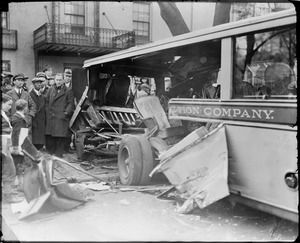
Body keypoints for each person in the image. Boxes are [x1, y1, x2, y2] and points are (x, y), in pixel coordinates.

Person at [45, 73, 75, 158]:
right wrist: (48, 112)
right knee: (52, 136)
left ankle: (59, 154)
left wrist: (66, 113)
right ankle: (52, 153)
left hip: (61, 117)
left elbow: (70, 104)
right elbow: (47, 101)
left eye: (60, 80)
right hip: (52, 116)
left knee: (60, 137)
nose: (58, 82)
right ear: (54, 80)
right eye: (57, 80)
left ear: (63, 80)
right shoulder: (51, 89)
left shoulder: (68, 90)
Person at [1, 94, 21, 203]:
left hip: (5, 145)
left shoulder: (4, 114)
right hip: (3, 146)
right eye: (8, 105)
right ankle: (8, 196)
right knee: (9, 171)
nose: (10, 107)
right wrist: (4, 151)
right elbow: (3, 135)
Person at [6, 73, 37, 139]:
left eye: (22, 80)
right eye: (19, 80)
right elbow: (6, 108)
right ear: (14, 82)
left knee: (25, 142)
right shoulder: (9, 94)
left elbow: (33, 106)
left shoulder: (26, 94)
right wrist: (10, 118)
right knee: (15, 141)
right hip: (14, 122)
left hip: (25, 121)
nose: (21, 82)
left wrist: (30, 116)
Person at [11, 99, 29, 191]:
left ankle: (19, 184)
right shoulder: (18, 119)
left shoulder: (17, 116)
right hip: (19, 144)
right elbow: (15, 134)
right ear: (24, 108)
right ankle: (18, 184)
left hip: (21, 143)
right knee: (18, 164)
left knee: (19, 164)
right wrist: (16, 148)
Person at [29, 76, 47, 150]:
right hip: (34, 120)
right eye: (37, 83)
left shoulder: (42, 96)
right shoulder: (29, 95)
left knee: (40, 141)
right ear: (33, 84)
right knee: (34, 140)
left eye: (40, 83)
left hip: (41, 121)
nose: (39, 84)